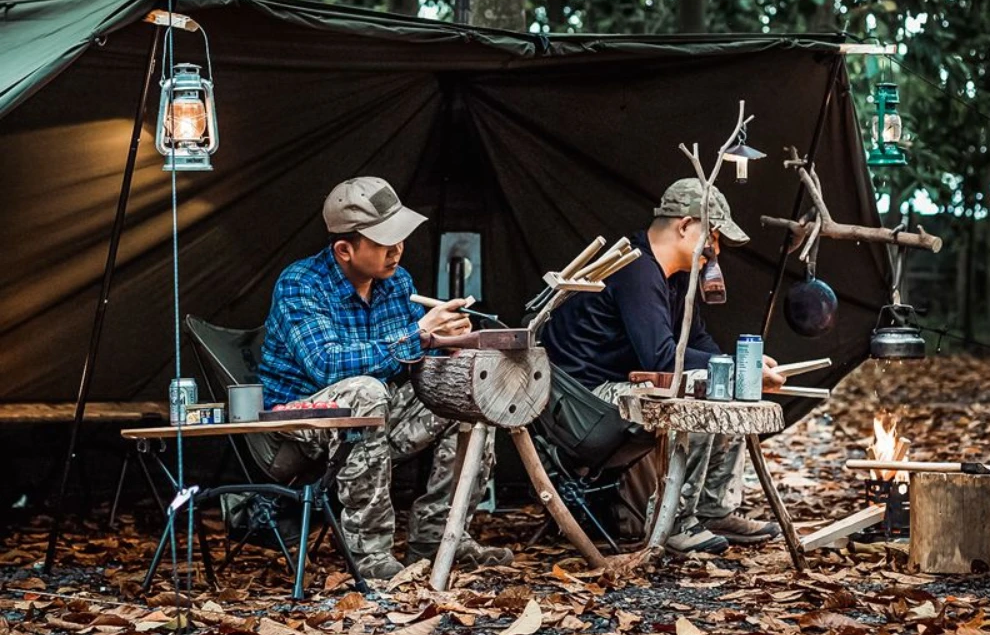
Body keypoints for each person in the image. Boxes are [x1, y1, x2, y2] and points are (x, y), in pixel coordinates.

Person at [256, 176, 512, 581]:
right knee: (366, 389)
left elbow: (413, 356)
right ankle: (370, 552)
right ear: (344, 249)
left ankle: (440, 535)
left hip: (377, 415)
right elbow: (328, 365)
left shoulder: (398, 283)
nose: (397, 250)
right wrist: (420, 335)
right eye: (383, 242)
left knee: (470, 389)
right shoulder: (300, 284)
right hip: (302, 419)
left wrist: (448, 341)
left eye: (400, 238)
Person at [541, 178, 786, 556]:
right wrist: (733, 366)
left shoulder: (674, 278)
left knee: (728, 386)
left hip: (617, 391)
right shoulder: (635, 270)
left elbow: (698, 343)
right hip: (584, 404)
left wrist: (742, 368)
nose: (716, 251)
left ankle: (712, 510)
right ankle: (674, 520)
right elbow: (659, 357)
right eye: (714, 237)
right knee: (705, 390)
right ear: (686, 226)